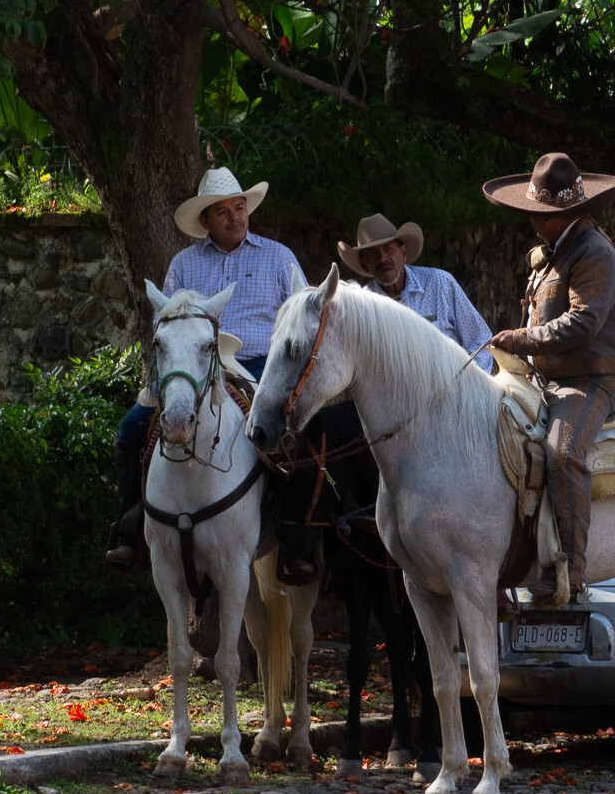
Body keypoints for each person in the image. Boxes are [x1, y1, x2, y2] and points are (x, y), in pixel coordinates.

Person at [104, 167, 306, 573]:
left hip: (260, 366)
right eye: (223, 212)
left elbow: (303, 317)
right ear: (205, 220)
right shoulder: (183, 264)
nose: (235, 217)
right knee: (131, 429)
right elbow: (163, 326)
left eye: (240, 207)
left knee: (297, 436)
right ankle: (129, 528)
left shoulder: (279, 257)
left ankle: (295, 538)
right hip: (194, 366)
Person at [481, 152, 615, 607]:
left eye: (536, 212)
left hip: (593, 381)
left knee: (563, 453)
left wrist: (521, 339)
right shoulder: (551, 254)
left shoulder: (596, 253)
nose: (530, 218)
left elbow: (582, 323)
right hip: (545, 379)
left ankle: (569, 570)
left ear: (560, 215)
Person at [337, 212, 495, 371]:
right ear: (365, 265)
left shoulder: (440, 283)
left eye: (388, 249)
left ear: (403, 253)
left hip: (455, 383)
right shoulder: (363, 308)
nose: (382, 258)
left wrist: (469, 381)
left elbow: (481, 339)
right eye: (372, 254)